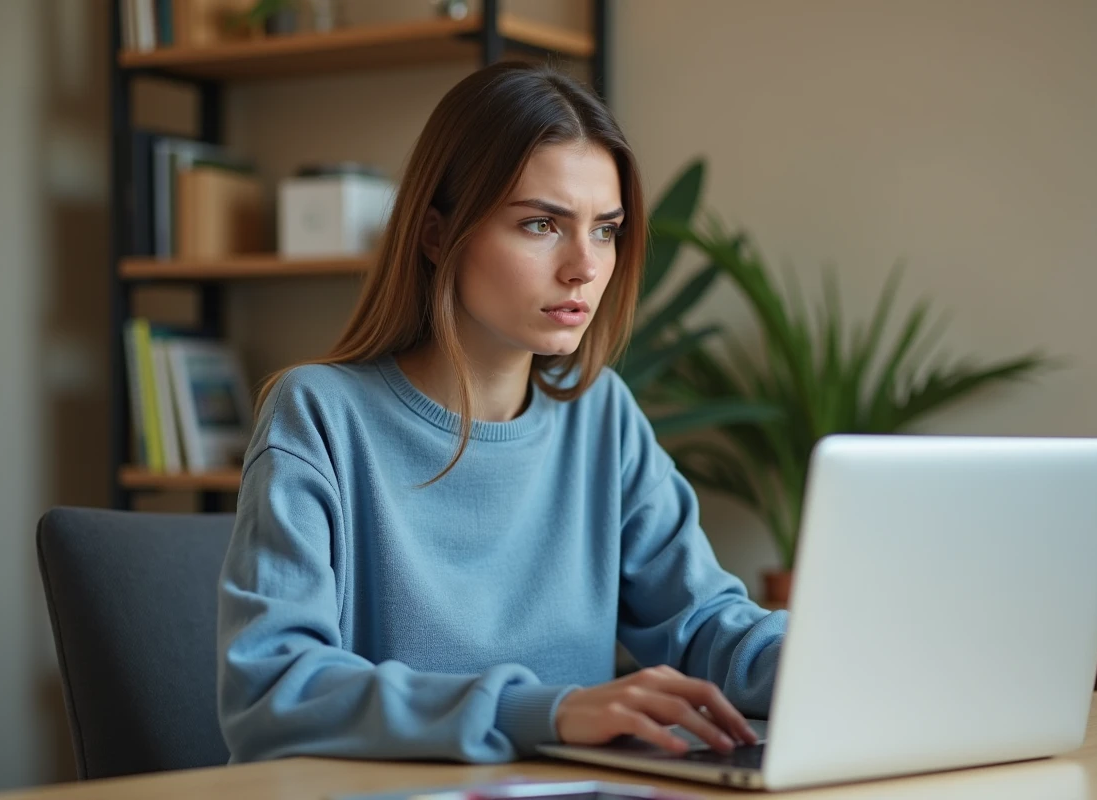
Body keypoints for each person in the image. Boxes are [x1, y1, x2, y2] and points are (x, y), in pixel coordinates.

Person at [216, 61, 787, 766]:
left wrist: (831, 659)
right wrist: (543, 711)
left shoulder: (599, 412)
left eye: (605, 230)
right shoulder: (318, 416)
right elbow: (275, 691)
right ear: (434, 233)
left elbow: (701, 622)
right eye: (542, 224)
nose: (583, 266)